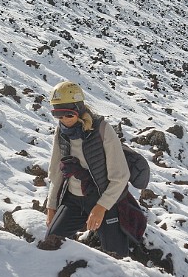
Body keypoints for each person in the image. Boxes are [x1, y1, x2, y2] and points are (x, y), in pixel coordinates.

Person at [45, 81, 133, 256]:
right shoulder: (61, 132)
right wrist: (51, 206)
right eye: (58, 116)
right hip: (73, 200)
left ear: (79, 109)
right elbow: (55, 172)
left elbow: (121, 176)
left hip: (105, 201)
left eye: (68, 115)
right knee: (51, 244)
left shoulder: (102, 130)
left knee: (116, 256)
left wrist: (101, 207)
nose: (64, 121)